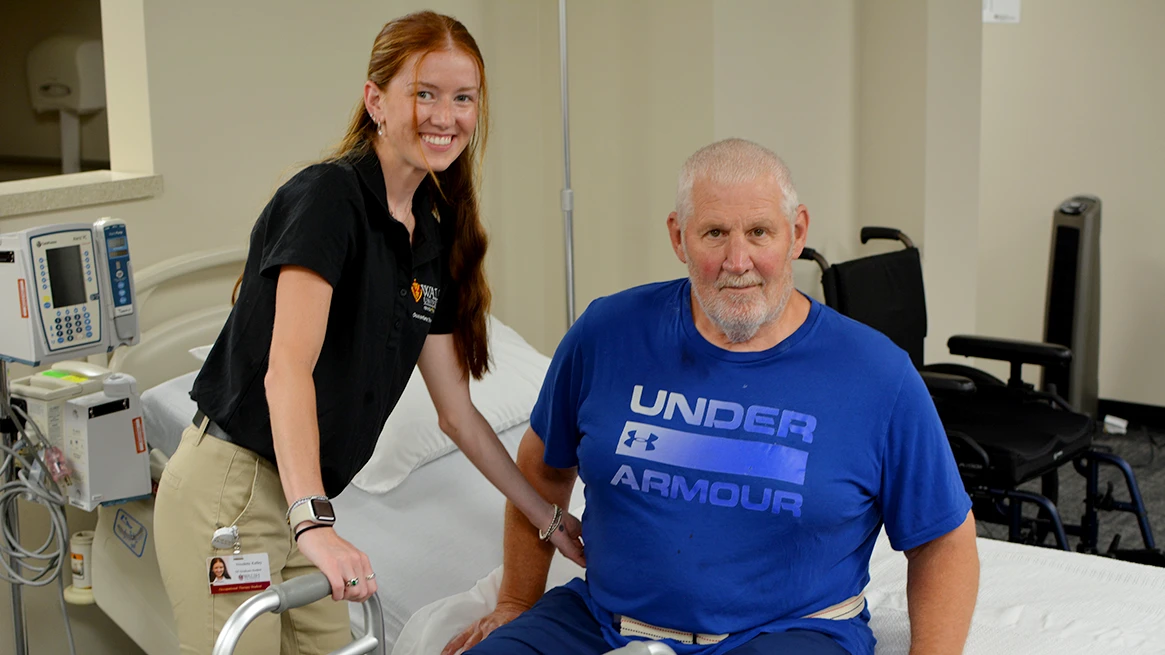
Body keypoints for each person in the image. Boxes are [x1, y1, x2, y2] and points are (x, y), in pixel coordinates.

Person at [154, 11, 584, 655]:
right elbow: (287, 370)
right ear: (376, 100)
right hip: (233, 495)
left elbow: (459, 416)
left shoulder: (428, 236)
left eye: (463, 98)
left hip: (307, 500)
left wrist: (546, 516)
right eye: (425, 93)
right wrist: (313, 524)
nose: (446, 115)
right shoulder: (329, 198)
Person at [445, 138, 979, 655]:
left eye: (759, 232)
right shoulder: (606, 333)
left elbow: (943, 540)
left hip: (788, 634)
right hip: (602, 622)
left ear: (796, 234)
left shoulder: (876, 372)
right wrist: (515, 601)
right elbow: (541, 473)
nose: (738, 259)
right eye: (715, 232)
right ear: (679, 238)